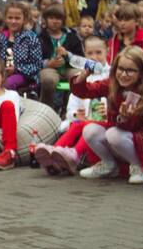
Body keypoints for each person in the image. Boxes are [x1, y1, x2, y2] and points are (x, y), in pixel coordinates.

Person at [72, 46, 143, 184]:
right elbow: (85, 92)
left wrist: (126, 117)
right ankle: (109, 165)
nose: (124, 74)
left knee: (113, 133)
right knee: (89, 130)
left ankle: (138, 167)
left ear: (141, 73)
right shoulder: (112, 84)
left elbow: (134, 126)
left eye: (130, 70)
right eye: (120, 69)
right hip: (114, 132)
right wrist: (83, 77)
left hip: (137, 138)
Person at [35, 35, 110, 176]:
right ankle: (54, 153)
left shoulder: (111, 75)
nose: (94, 57)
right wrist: (76, 114)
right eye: (90, 53)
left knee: (86, 126)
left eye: (99, 52)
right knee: (76, 124)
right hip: (83, 123)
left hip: (104, 123)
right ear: (84, 54)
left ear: (107, 51)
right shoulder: (82, 75)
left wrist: (107, 110)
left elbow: (119, 102)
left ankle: (73, 155)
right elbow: (71, 108)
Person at [0, 2, 42, 93]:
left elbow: (37, 65)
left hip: (24, 76)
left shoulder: (31, 38)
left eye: (17, 18)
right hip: (0, 73)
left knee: (6, 84)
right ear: (5, 19)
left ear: (24, 20)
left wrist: (16, 69)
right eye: (10, 18)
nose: (13, 21)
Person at [38, 4, 82, 108]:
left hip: (68, 68)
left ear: (63, 20)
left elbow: (80, 58)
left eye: (58, 18)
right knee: (48, 79)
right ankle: (46, 108)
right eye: (51, 18)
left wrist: (67, 56)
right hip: (49, 69)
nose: (55, 21)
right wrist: (48, 63)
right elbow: (34, 60)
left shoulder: (72, 36)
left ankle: (69, 108)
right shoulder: (40, 37)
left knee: (78, 77)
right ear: (45, 19)